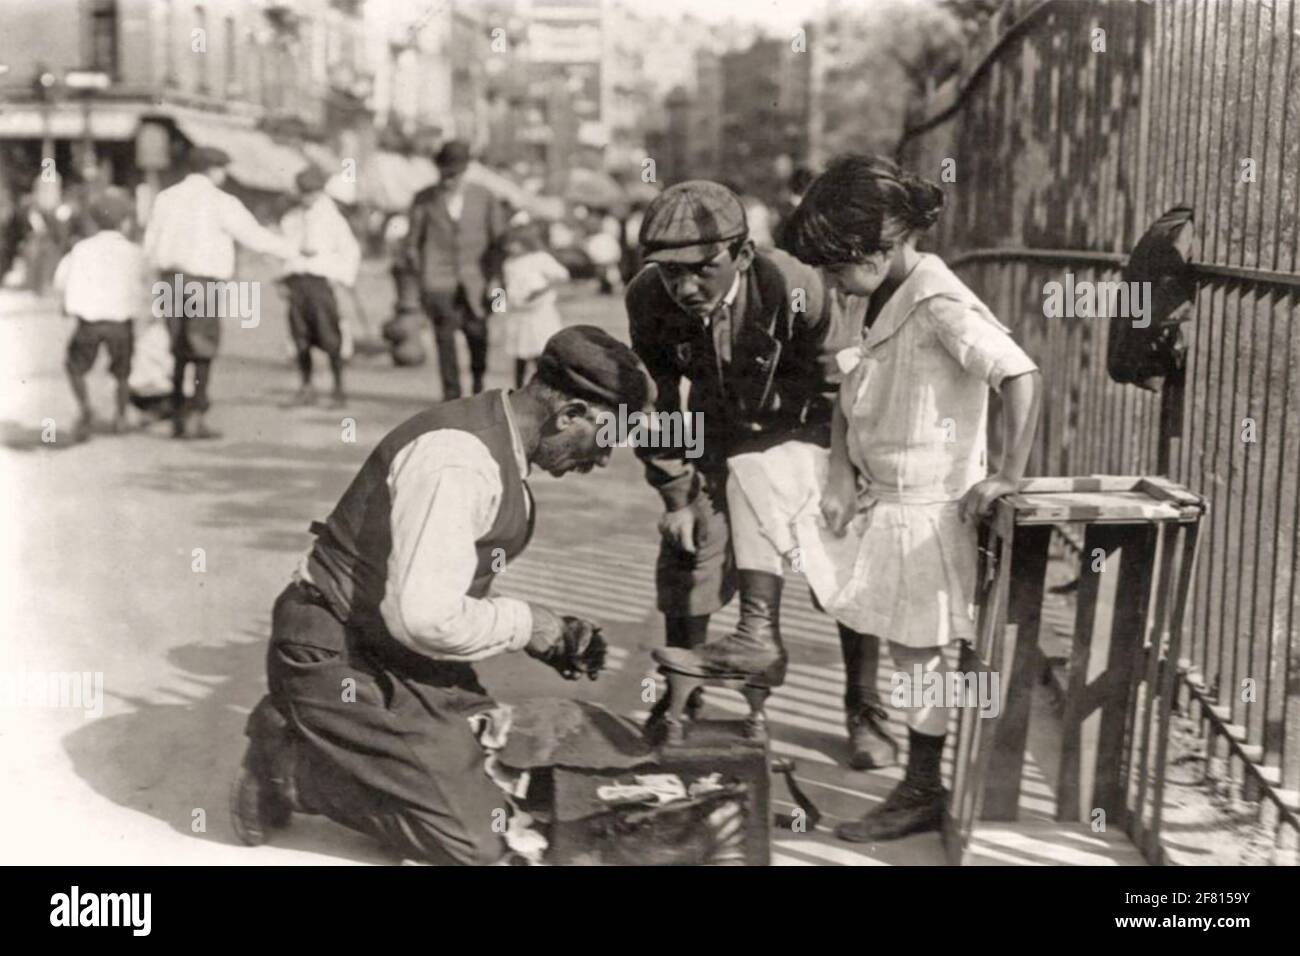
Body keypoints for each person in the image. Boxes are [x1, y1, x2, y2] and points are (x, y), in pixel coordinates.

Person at [232, 326, 656, 866]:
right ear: (570, 413)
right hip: (335, 651)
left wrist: (548, 633)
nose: (601, 461)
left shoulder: (496, 440)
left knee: (515, 783)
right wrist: (529, 625)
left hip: (393, 651)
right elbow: (426, 618)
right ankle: (289, 766)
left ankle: (360, 753)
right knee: (482, 843)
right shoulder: (459, 462)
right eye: (606, 439)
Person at [779, 154, 1042, 841]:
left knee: (919, 654)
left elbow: (1019, 375)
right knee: (903, 647)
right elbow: (849, 391)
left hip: (931, 508)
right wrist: (839, 470)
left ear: (879, 247)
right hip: (885, 500)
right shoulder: (886, 296)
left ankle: (924, 785)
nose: (833, 283)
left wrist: (1008, 473)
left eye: (838, 267)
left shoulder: (939, 303)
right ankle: (920, 779)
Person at [626, 180, 898, 769]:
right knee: (689, 549)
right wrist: (678, 494)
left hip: (810, 434)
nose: (686, 287)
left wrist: (843, 481)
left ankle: (864, 705)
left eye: (703, 269)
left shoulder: (796, 287)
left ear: (742, 256)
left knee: (846, 557)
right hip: (717, 442)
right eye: (671, 273)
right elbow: (655, 406)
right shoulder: (648, 299)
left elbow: (843, 393)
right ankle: (681, 698)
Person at [143, 146, 298, 439]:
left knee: (177, 349)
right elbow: (253, 236)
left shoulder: (165, 198)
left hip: (169, 280)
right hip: (202, 282)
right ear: (213, 170)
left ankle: (177, 413)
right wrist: (292, 250)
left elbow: (151, 243)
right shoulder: (221, 201)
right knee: (202, 349)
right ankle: (196, 416)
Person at [402, 140, 509, 401]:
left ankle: (477, 385)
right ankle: (451, 396)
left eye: (455, 173)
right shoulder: (424, 199)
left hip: (477, 280)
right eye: (445, 172)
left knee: (478, 334)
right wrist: (420, 280)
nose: (449, 179)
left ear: (465, 171)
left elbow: (500, 242)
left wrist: (496, 280)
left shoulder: (485, 197)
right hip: (438, 281)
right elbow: (412, 243)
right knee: (444, 339)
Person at [52, 187, 148, 441]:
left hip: (89, 321)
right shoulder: (134, 251)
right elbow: (145, 282)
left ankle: (85, 409)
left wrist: (66, 303)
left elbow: (61, 279)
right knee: (122, 372)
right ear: (125, 221)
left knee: (75, 366)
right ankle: (120, 415)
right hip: (120, 322)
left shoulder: (81, 249)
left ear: (93, 220)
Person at [279, 165, 362, 408]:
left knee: (329, 335)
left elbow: (350, 251)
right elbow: (282, 249)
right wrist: (284, 274)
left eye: (312, 193)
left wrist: (340, 277)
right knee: (300, 336)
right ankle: (306, 386)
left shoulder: (332, 219)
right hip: (297, 282)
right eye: (304, 193)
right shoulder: (291, 219)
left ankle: (338, 389)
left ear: (320, 192)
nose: (308, 198)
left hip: (321, 282)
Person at [501, 224, 569, 388]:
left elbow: (562, 275)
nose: (510, 248)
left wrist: (542, 290)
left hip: (539, 314)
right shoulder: (508, 264)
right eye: (508, 244)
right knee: (520, 354)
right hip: (519, 315)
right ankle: (518, 388)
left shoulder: (539, 259)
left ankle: (549, 387)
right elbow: (503, 287)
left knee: (540, 352)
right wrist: (500, 309)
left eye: (514, 243)